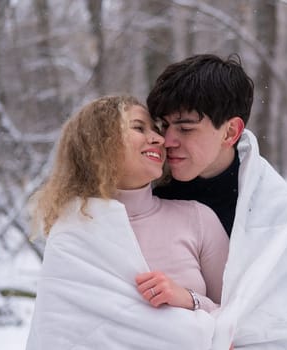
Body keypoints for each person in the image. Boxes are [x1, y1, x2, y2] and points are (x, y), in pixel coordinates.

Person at [147, 54, 287, 349]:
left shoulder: (275, 212)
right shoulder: (142, 190)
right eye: (163, 125)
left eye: (185, 128)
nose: (168, 140)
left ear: (231, 132)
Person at [26, 95, 228, 349]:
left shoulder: (198, 218)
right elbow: (61, 334)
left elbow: (238, 316)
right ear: (101, 143)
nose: (158, 139)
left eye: (155, 130)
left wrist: (188, 299)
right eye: (138, 128)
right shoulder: (72, 231)